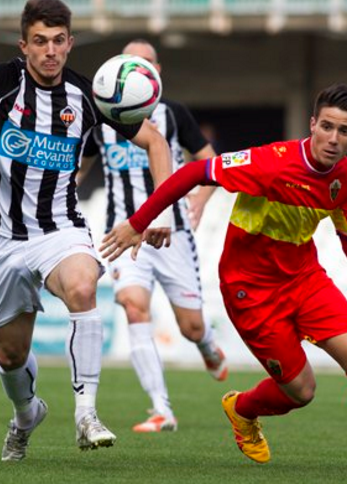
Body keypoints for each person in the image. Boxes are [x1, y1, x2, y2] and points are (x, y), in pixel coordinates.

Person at [100, 84, 347, 475]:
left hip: (304, 278)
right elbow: (194, 172)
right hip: (250, 288)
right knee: (302, 391)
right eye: (327, 126)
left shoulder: (345, 179)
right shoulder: (270, 162)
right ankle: (241, 409)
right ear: (312, 124)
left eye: (344, 131)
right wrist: (137, 223)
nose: (333, 138)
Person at [0, 0, 173, 462]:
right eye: (40, 41)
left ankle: (87, 414)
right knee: (11, 356)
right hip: (2, 239)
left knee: (82, 286)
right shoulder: (1, 81)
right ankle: (26, 415)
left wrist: (158, 214)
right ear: (24, 45)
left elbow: (155, 142)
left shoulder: (88, 96)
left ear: (70, 43)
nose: (50, 51)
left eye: (58, 41)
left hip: (60, 229)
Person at [80, 39, 228, 433]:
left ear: (157, 73)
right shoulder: (102, 117)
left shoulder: (173, 114)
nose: (136, 69)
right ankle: (162, 409)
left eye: (145, 62)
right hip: (125, 232)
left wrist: (201, 198)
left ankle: (207, 344)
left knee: (190, 327)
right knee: (133, 306)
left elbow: (209, 162)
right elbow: (80, 167)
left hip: (173, 232)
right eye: (129, 62)